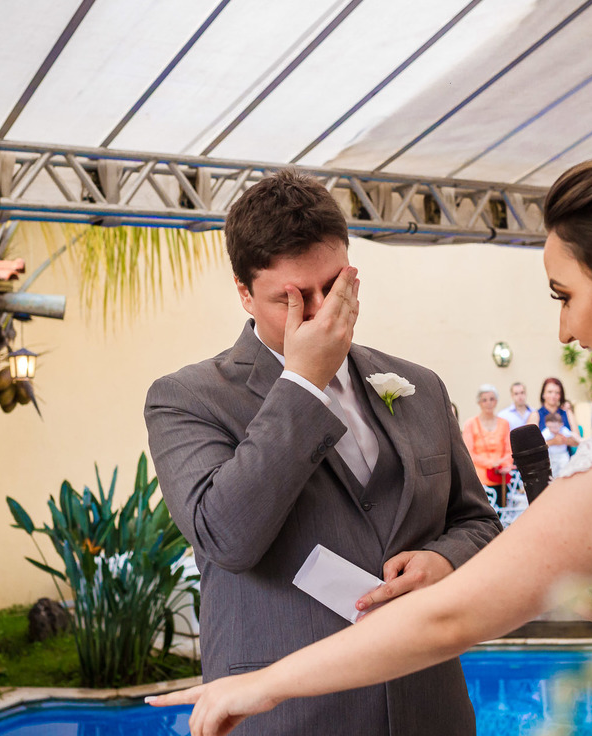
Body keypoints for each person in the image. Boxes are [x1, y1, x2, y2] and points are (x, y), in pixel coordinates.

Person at [148, 117, 592, 735]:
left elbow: (452, 618)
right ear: (246, 293)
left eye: (565, 294)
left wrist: (261, 685)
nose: (564, 329)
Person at [144, 170, 500, 736]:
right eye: (290, 298)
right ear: (243, 293)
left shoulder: (419, 385)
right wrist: (303, 383)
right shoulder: (187, 398)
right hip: (286, 715)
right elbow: (227, 539)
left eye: (331, 287)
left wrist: (445, 560)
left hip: (427, 706)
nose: (317, 313)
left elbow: (478, 521)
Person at [461, 384, 513, 505]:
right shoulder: (470, 424)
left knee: (503, 513)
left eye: (492, 399)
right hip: (480, 479)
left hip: (502, 477)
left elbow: (509, 449)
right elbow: (468, 452)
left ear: (496, 401)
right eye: (484, 400)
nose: (488, 403)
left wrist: (505, 465)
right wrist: (491, 464)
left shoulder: (504, 423)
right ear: (479, 402)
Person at [540, 410, 572, 479]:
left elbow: (572, 437)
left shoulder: (564, 430)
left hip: (563, 454)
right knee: (553, 471)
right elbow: (542, 443)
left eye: (555, 427)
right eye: (550, 427)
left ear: (561, 424)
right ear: (546, 425)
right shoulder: (546, 432)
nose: (553, 430)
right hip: (551, 456)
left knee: (565, 469)